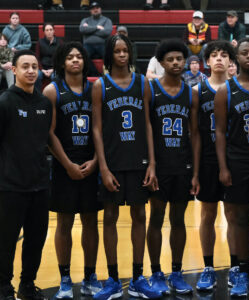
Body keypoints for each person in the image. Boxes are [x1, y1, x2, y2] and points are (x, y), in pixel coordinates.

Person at [90, 34, 160, 300]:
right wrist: (103, 168)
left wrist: (152, 163)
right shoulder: (100, 86)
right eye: (117, 51)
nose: (122, 55)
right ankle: (112, 279)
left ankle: (138, 277)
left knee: (139, 216)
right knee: (109, 217)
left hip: (139, 160)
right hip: (113, 161)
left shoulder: (142, 83)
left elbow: (148, 124)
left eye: (125, 51)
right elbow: (96, 129)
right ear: (110, 55)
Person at [0, 50, 52, 300]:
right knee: (7, 240)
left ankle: (27, 285)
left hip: (39, 185)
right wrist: (2, 170)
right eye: (25, 66)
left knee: (36, 239)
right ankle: (4, 287)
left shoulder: (45, 103)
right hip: (11, 186)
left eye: (35, 66)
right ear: (14, 70)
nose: (31, 71)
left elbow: (44, 141)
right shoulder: (3, 103)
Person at [43, 41, 103, 300]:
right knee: (64, 222)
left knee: (91, 221)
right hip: (63, 165)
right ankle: (65, 278)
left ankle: (90, 276)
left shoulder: (96, 89)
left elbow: (103, 130)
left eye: (79, 56)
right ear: (62, 62)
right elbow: (49, 133)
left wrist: (96, 161)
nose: (76, 60)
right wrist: (67, 164)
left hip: (91, 164)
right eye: (70, 57)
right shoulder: (52, 91)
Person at [213, 37, 249, 297]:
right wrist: (223, 167)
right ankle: (243, 272)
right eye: (244, 53)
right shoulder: (225, 91)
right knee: (240, 219)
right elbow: (220, 132)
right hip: (238, 161)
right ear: (236, 58)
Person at [145, 38, 200, 296]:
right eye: (170, 59)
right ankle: (156, 272)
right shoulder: (151, 89)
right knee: (156, 218)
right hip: (159, 166)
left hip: (183, 165)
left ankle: (176, 272)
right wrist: (151, 165)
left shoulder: (191, 92)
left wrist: (196, 172)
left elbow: (196, 134)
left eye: (180, 58)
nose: (176, 63)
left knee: (179, 220)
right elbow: (145, 130)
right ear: (161, 62)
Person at [193, 40, 234, 291]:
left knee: (233, 216)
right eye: (214, 55)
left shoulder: (237, 89)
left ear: (231, 61)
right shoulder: (198, 91)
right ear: (207, 62)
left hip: (234, 160)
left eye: (224, 55)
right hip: (208, 160)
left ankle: (236, 267)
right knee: (207, 215)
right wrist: (195, 172)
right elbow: (195, 134)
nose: (219, 58)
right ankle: (208, 267)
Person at [35, 23, 64, 91]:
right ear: (44, 32)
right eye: (47, 30)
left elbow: (62, 58)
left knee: (55, 77)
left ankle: (55, 95)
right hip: (42, 68)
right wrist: (42, 70)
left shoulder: (60, 42)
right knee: (37, 76)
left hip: (55, 68)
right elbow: (37, 58)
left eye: (51, 30)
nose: (49, 32)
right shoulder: (40, 42)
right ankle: (37, 95)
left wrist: (53, 69)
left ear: (54, 31)